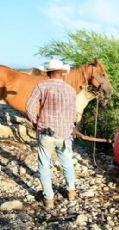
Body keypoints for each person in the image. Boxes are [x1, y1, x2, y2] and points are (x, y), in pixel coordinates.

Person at [26, 59, 76, 208]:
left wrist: (35, 122)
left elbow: (29, 107)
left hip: (46, 132)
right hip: (65, 134)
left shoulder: (42, 86)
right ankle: (71, 192)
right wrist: (69, 126)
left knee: (44, 165)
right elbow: (74, 115)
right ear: (62, 73)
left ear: (48, 72)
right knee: (67, 163)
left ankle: (49, 199)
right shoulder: (71, 89)